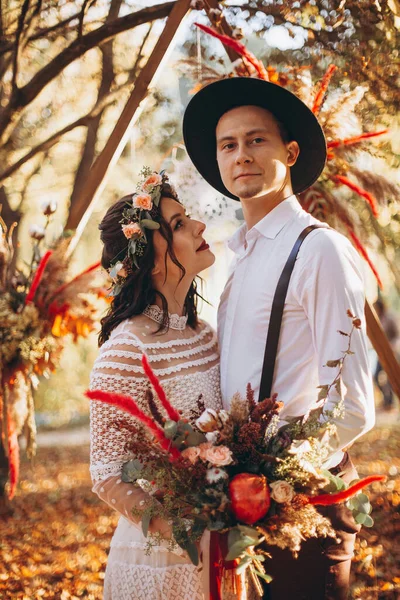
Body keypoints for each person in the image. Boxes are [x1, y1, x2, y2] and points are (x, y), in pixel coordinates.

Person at [183, 77, 375, 600]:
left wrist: (280, 482)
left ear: (290, 153)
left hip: (302, 508)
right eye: (228, 145)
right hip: (242, 506)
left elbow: (353, 405)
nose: (240, 154)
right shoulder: (238, 260)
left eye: (255, 140)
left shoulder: (319, 252)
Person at [89, 170, 221, 599]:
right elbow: (106, 476)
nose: (199, 226)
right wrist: (184, 531)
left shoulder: (207, 335)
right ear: (150, 259)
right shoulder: (125, 351)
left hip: (229, 546)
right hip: (160, 564)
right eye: (179, 225)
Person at [373, 297, 399, 410]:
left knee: (391, 378)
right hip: (381, 354)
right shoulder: (377, 319)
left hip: (393, 352)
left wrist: (392, 346)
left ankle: (390, 403)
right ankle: (386, 400)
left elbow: (398, 335)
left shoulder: (390, 318)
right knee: (376, 376)